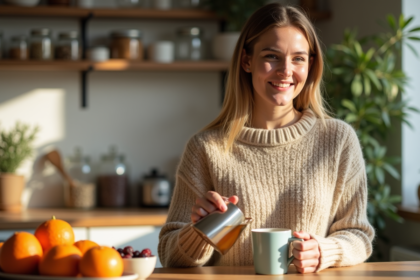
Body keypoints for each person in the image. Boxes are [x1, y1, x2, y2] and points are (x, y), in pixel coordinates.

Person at [158, 3, 375, 273]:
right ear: (247, 61)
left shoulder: (338, 140)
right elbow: (169, 255)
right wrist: (201, 230)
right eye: (272, 56)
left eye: (298, 58)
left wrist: (325, 251)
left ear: (310, 65)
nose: (286, 70)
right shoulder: (206, 148)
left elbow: (359, 235)